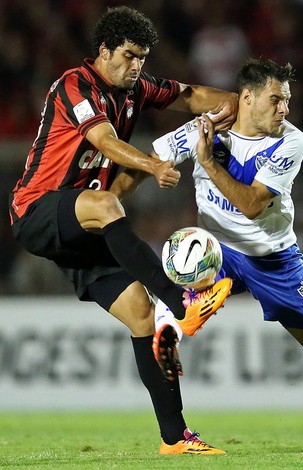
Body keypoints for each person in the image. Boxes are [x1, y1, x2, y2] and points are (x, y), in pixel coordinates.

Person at [8, 6, 235, 455]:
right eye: (129, 56)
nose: (136, 67)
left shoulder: (135, 88)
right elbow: (105, 142)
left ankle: (175, 439)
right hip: (36, 211)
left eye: (143, 59)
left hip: (86, 225)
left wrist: (241, 104)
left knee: (139, 313)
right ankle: (182, 300)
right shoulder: (73, 84)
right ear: (104, 51)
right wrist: (153, 164)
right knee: (106, 200)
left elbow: (189, 95)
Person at [151, 58, 303, 453]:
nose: (285, 109)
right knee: (181, 249)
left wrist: (207, 161)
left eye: (287, 101)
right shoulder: (203, 127)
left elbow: (254, 205)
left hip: (272, 260)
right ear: (247, 98)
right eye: (276, 100)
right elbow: (151, 159)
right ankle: (171, 322)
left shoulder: (291, 141)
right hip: (218, 250)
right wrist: (114, 189)